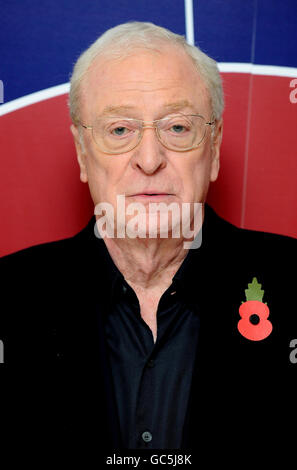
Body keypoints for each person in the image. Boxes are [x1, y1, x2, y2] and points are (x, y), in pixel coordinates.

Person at [0, 21, 296, 466]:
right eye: (120, 130)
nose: (150, 159)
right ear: (83, 152)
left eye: (177, 127)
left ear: (213, 148)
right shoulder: (7, 297)